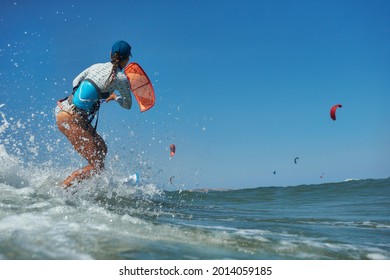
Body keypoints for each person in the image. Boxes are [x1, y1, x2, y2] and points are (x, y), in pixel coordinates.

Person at [55, 40, 133, 188]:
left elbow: (75, 82)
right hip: (72, 118)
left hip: (64, 109)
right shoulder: (121, 79)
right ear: (127, 59)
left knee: (102, 149)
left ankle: (79, 189)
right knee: (96, 165)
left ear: (111, 54)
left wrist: (96, 95)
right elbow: (128, 105)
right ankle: (61, 189)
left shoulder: (96, 66)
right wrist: (115, 96)